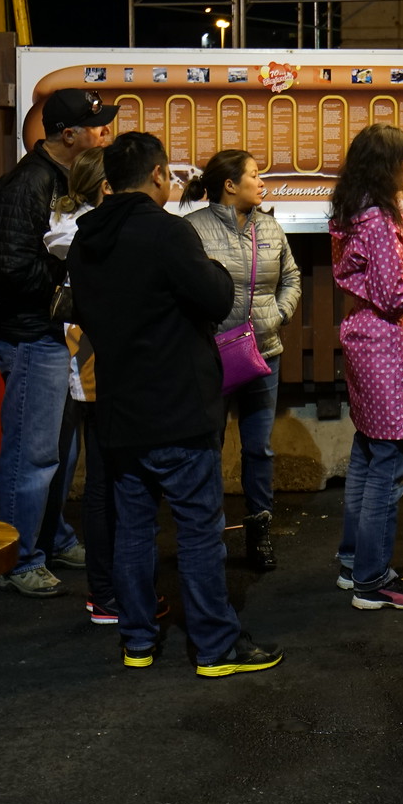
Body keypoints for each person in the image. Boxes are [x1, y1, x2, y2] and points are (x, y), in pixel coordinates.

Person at [68, 132, 282, 676]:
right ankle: (215, 646)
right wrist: (213, 268)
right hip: (178, 407)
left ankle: (137, 640)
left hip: (120, 408)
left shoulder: (86, 239)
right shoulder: (168, 232)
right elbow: (216, 296)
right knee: (198, 528)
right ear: (159, 175)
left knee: (134, 530)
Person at [0, 88, 117, 596]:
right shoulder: (31, 182)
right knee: (33, 452)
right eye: (96, 125)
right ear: (68, 134)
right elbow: (8, 265)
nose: (105, 132)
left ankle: (52, 537)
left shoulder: (60, 177)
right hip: (31, 336)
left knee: (61, 448)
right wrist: (67, 286)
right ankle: (17, 559)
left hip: (53, 334)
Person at [329, 123, 403, 611]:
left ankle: (353, 562)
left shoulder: (354, 210)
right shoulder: (377, 219)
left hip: (364, 341)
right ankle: (373, 580)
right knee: (388, 466)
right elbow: (396, 294)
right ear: (386, 167)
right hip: (384, 349)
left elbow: (375, 277)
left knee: (367, 453)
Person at [185, 148, 301, 571]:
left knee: (259, 448)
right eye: (254, 174)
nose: (262, 181)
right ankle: (207, 534)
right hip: (212, 355)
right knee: (208, 447)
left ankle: (259, 531)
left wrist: (279, 314)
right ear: (230, 185)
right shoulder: (193, 229)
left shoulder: (268, 226)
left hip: (263, 353)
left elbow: (291, 276)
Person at [42, 147, 123, 624]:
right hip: (96, 357)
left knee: (103, 477)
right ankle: (106, 591)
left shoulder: (70, 226)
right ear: (106, 186)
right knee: (107, 479)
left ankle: (106, 588)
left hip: (86, 355)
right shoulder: (88, 232)